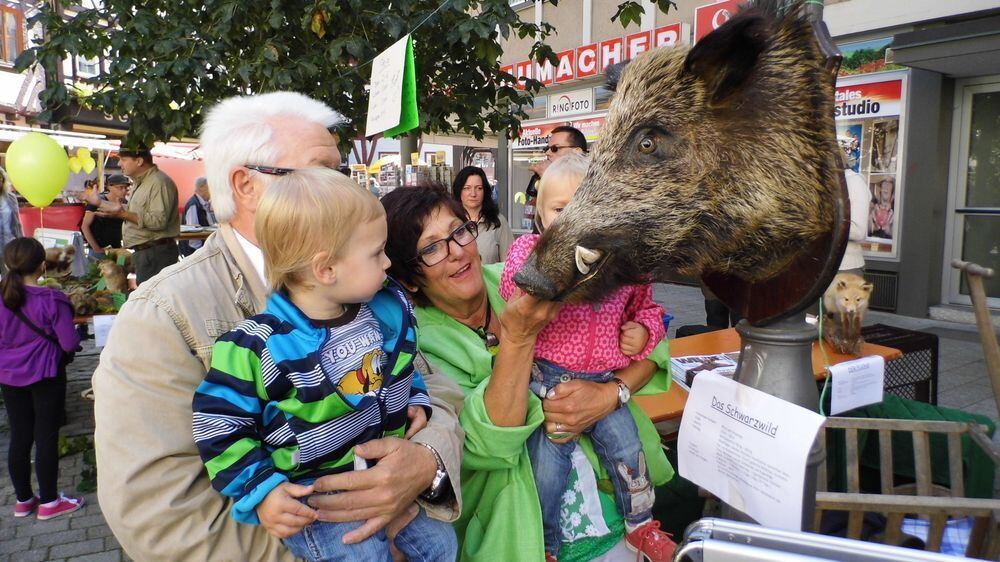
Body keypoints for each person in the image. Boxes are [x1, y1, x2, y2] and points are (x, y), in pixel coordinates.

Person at [92, 92, 464, 561]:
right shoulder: (164, 313)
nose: (346, 188)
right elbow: (159, 514)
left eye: (342, 172)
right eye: (322, 172)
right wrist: (345, 545)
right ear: (246, 186)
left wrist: (425, 463)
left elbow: (430, 383)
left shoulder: (363, 281)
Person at [382, 185, 675, 562]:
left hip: (615, 509)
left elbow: (652, 341)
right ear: (409, 278)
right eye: (432, 248)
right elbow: (485, 444)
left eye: (459, 231)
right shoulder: (414, 344)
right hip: (523, 533)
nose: (457, 252)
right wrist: (520, 338)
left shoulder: (521, 275)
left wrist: (611, 394)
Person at [502, 153, 675, 561]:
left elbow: (648, 309)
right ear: (542, 218)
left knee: (628, 449)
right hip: (550, 382)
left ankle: (641, 523)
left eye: (587, 208)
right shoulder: (532, 250)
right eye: (562, 210)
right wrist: (551, 266)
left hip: (605, 378)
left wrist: (645, 331)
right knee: (547, 466)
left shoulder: (626, 266)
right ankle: (545, 544)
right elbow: (514, 287)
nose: (573, 221)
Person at [0, 237, 84, 520]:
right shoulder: (52, 299)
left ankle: (24, 500)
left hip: (9, 376)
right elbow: (70, 342)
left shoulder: (2, 298)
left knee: (20, 436)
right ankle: (49, 502)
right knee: (45, 436)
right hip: (46, 374)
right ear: (41, 265)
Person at [97, 146, 180, 284]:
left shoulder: (159, 182)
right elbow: (135, 211)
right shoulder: (140, 182)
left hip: (155, 254)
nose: (119, 164)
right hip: (148, 253)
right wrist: (102, 204)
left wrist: (122, 213)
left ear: (139, 161)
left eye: (123, 159)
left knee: (153, 301)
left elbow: (158, 221)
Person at [524, 126, 588, 233]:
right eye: (546, 149)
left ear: (577, 151)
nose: (548, 153)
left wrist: (547, 177)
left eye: (555, 149)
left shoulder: (592, 181)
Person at [452, 166, 513, 264]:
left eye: (479, 188)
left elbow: (509, 264)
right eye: (467, 188)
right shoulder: (451, 222)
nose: (473, 194)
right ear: (459, 191)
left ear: (485, 191)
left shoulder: (498, 222)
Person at [81, 174, 129, 261]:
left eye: (126, 188)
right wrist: (95, 248)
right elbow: (84, 226)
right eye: (121, 187)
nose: (124, 190)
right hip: (99, 250)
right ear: (109, 187)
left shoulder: (125, 203)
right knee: (97, 273)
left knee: (120, 271)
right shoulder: (97, 201)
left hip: (118, 249)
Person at [178, 176, 216, 257]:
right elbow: (193, 234)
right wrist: (200, 253)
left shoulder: (204, 203)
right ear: (202, 188)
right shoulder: (193, 205)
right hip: (197, 252)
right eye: (210, 186)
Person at [0, 169, 22, 274]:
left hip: (9, 245)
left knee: (10, 278)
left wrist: (21, 242)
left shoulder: (11, 198)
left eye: (0, 178)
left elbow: (17, 223)